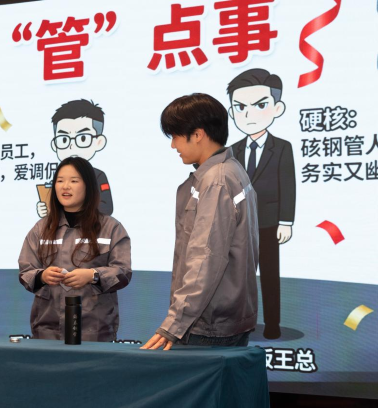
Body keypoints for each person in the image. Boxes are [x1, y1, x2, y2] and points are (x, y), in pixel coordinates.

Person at [141, 93, 259, 350]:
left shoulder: (216, 180)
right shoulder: (232, 170)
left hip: (207, 324)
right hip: (224, 319)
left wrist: (175, 323)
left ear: (197, 134)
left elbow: (206, 257)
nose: (173, 146)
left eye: (175, 136)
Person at [20, 156, 131, 342]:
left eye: (73, 181)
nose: (65, 186)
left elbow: (123, 272)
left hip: (94, 330)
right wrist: (42, 276)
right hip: (48, 329)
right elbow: (26, 271)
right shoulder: (41, 228)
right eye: (60, 181)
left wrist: (93, 275)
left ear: (88, 186)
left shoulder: (111, 227)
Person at [228, 68, 296, 339]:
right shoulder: (232, 150)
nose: (249, 114)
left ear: (277, 108)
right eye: (240, 107)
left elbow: (288, 186)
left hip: (269, 224)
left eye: (260, 105)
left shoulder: (282, 147)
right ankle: (238, 323)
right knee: (239, 278)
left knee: (269, 275)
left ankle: (272, 325)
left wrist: (286, 222)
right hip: (238, 225)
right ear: (232, 112)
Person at [36, 99, 113, 218]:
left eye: (83, 138)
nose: (72, 146)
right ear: (54, 145)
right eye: (64, 139)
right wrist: (47, 211)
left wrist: (77, 210)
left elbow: (106, 207)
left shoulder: (98, 175)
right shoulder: (57, 178)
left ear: (99, 142)